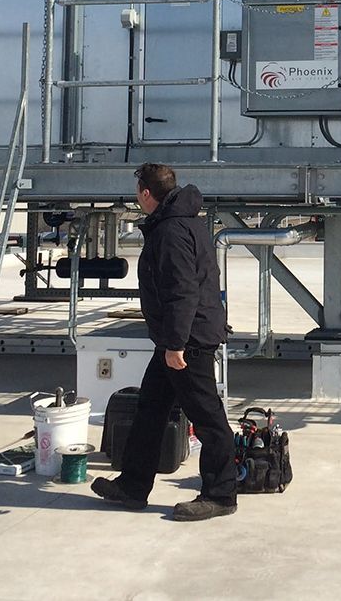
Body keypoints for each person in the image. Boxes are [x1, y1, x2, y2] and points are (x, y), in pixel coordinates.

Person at [92, 163, 238, 520]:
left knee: (207, 417)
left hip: (188, 341)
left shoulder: (171, 230)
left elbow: (182, 292)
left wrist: (175, 346)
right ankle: (132, 486)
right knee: (150, 409)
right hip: (178, 336)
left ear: (145, 193)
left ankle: (221, 495)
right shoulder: (181, 220)